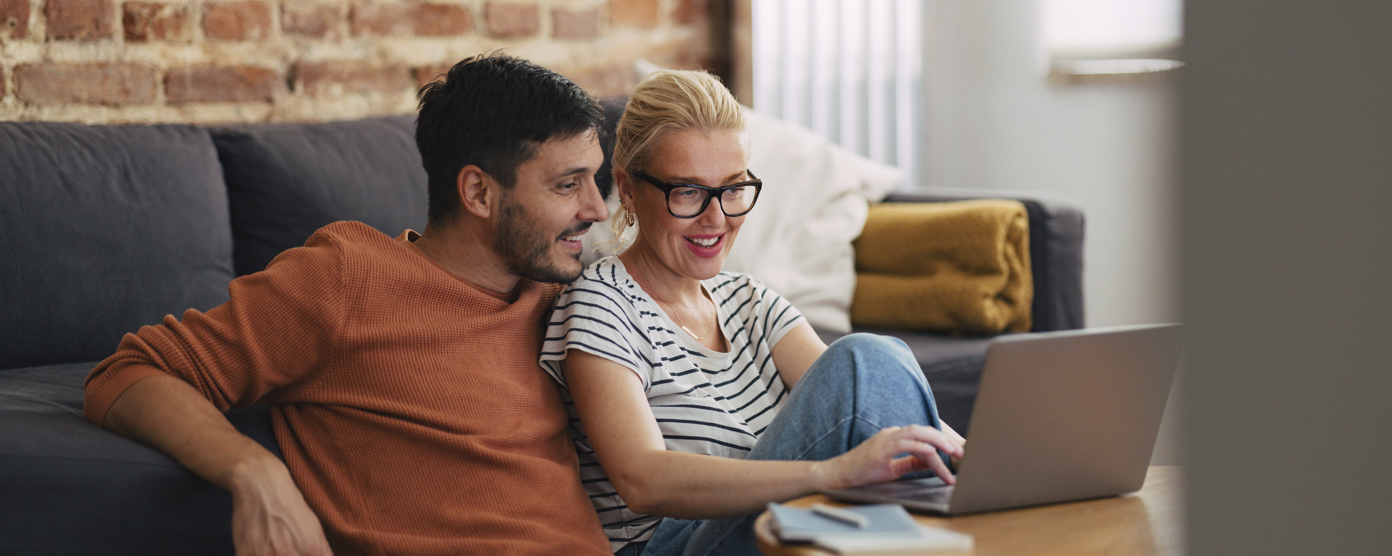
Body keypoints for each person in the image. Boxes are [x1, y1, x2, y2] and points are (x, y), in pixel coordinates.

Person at [83, 54, 614, 555]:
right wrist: (255, 472)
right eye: (568, 185)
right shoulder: (347, 280)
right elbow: (129, 373)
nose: (595, 208)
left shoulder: (568, 300)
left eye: (595, 179)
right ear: (477, 192)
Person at [539, 69, 968, 556]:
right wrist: (835, 473)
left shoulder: (750, 301)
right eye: (688, 192)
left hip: (785, 530)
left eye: (733, 188)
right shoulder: (600, 302)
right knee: (863, 358)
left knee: (879, 371)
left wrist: (982, 465)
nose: (717, 218)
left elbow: (874, 400)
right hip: (673, 546)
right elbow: (641, 479)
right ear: (629, 190)